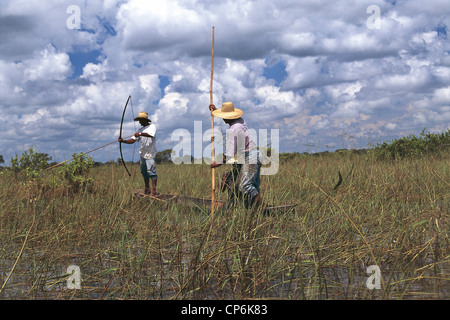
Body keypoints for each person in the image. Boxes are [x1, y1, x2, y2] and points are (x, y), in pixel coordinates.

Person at [209, 101, 265, 209]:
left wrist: (217, 164)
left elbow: (229, 155)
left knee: (245, 186)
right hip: (253, 155)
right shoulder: (241, 121)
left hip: (250, 157)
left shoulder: (233, 130)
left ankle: (262, 208)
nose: (223, 118)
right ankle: (252, 209)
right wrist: (215, 111)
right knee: (252, 186)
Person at [118, 111, 157, 195]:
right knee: (144, 172)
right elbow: (132, 140)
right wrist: (122, 141)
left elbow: (151, 135)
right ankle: (147, 189)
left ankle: (153, 191)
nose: (139, 122)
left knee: (152, 172)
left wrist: (139, 134)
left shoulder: (152, 126)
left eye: (140, 120)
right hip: (142, 154)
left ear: (144, 120)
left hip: (150, 153)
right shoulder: (140, 130)